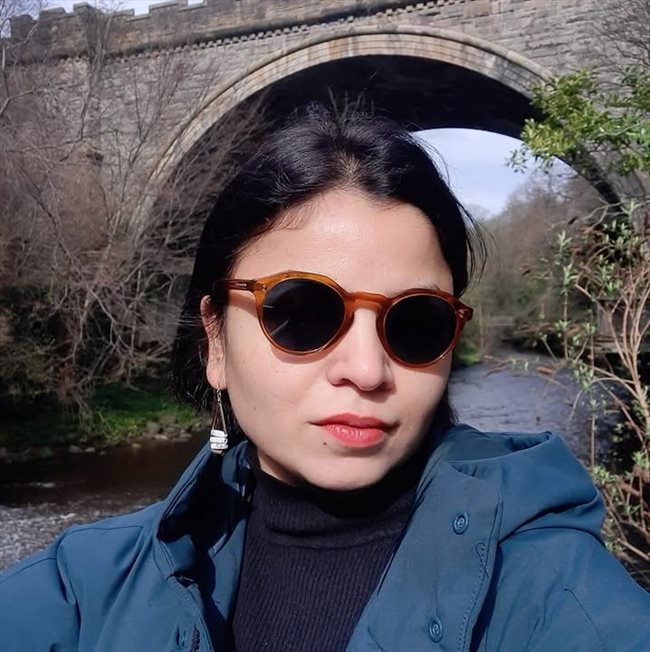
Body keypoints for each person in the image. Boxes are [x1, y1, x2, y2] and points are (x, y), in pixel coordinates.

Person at [0, 104, 648, 652]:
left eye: (416, 323)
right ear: (215, 340)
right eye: (303, 313)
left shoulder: (552, 591)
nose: (366, 370)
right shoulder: (78, 593)